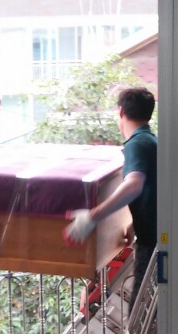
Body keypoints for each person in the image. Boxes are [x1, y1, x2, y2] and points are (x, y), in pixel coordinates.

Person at [64, 87, 157, 303]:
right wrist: (134, 224)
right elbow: (152, 191)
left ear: (121, 112)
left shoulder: (137, 144)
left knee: (141, 308)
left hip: (151, 244)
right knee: (146, 308)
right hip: (153, 238)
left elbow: (134, 184)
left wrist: (92, 216)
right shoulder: (150, 141)